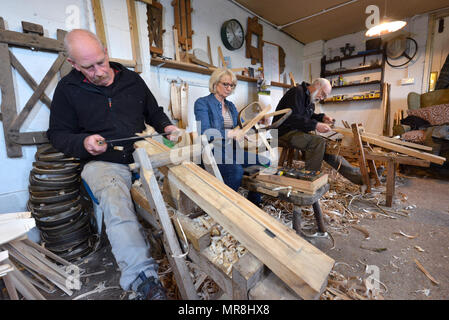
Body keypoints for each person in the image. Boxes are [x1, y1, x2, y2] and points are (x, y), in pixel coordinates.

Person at [47, 29, 180, 300]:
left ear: (106, 52)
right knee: (114, 198)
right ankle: (143, 279)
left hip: (142, 151)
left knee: (182, 181)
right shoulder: (67, 90)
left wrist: (167, 127)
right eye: (88, 67)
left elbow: (153, 112)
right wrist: (84, 142)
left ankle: (184, 247)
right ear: (72, 64)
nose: (98, 71)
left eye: (101, 62)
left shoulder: (132, 80)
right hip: (103, 162)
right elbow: (57, 135)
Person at [194, 68, 267, 205]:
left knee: (265, 162)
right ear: (215, 84)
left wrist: (251, 126)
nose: (229, 88)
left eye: (232, 85)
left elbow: (239, 126)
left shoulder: (231, 106)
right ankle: (225, 207)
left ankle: (253, 204)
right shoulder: (202, 103)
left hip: (231, 150)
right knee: (235, 171)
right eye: (225, 84)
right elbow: (205, 132)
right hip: (211, 151)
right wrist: (231, 133)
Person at [272, 78, 364, 185]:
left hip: (296, 131)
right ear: (317, 85)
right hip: (282, 131)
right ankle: (309, 181)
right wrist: (315, 125)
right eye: (323, 94)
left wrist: (322, 118)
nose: (322, 98)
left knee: (328, 146)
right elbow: (293, 118)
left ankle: (359, 178)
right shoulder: (297, 92)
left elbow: (309, 116)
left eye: (325, 96)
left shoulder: (311, 100)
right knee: (317, 142)